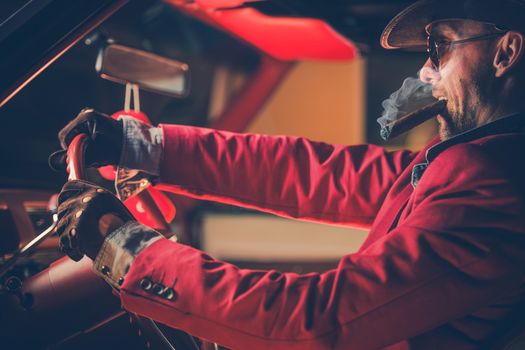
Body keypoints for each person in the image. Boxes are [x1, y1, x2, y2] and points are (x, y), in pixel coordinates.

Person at [50, 0, 525, 348]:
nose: (425, 72)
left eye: (439, 45)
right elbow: (317, 174)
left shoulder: (494, 185)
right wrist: (141, 147)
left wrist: (124, 247)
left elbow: (315, 320)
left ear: (506, 53)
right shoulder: (475, 164)